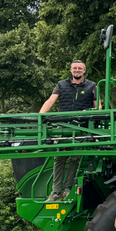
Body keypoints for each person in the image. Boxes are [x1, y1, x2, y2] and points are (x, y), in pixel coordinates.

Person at [39, 60, 97, 201]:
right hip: (63, 124)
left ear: (84, 71)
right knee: (59, 157)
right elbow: (51, 101)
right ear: (71, 70)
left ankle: (67, 188)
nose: (77, 70)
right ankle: (56, 192)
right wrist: (40, 116)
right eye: (75, 68)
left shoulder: (92, 86)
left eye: (80, 68)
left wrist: (88, 112)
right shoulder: (61, 84)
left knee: (75, 157)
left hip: (81, 125)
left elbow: (99, 106)